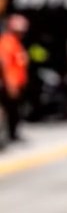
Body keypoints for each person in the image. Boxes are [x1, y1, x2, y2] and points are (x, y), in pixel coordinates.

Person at [0, 14, 29, 142]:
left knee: (15, 109)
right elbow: (5, 64)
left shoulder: (16, 43)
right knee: (9, 109)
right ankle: (9, 134)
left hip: (17, 82)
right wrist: (10, 84)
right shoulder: (7, 42)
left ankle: (13, 133)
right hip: (10, 84)